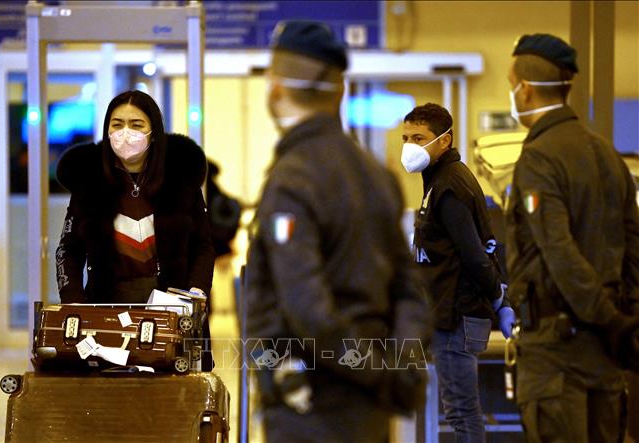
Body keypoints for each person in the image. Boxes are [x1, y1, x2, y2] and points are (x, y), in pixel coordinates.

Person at [245, 20, 431, 443]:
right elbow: (409, 290)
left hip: (309, 408)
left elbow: (308, 308)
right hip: (369, 409)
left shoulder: (292, 179)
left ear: (275, 88)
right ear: (341, 92)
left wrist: (370, 374)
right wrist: (397, 371)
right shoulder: (376, 174)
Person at [505, 33, 639, 442]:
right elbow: (633, 244)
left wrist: (607, 317)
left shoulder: (539, 157)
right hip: (607, 355)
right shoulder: (607, 154)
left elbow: (558, 251)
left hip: (556, 356)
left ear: (523, 90)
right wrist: (625, 321)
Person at [55, 89, 216, 370]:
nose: (125, 133)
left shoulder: (181, 181)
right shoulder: (89, 185)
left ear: (153, 132)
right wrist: (74, 302)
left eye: (136, 124)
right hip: (107, 314)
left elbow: (203, 246)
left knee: (174, 401)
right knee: (113, 402)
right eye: (117, 124)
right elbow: (68, 250)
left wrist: (196, 294)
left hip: (173, 313)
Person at [401, 103, 515, 442]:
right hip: (449, 314)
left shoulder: (449, 186)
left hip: (457, 316)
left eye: (419, 138)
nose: (409, 146)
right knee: (460, 411)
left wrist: (499, 300)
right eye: (405, 137)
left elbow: (475, 254)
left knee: (462, 413)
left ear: (444, 141)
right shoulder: (440, 181)